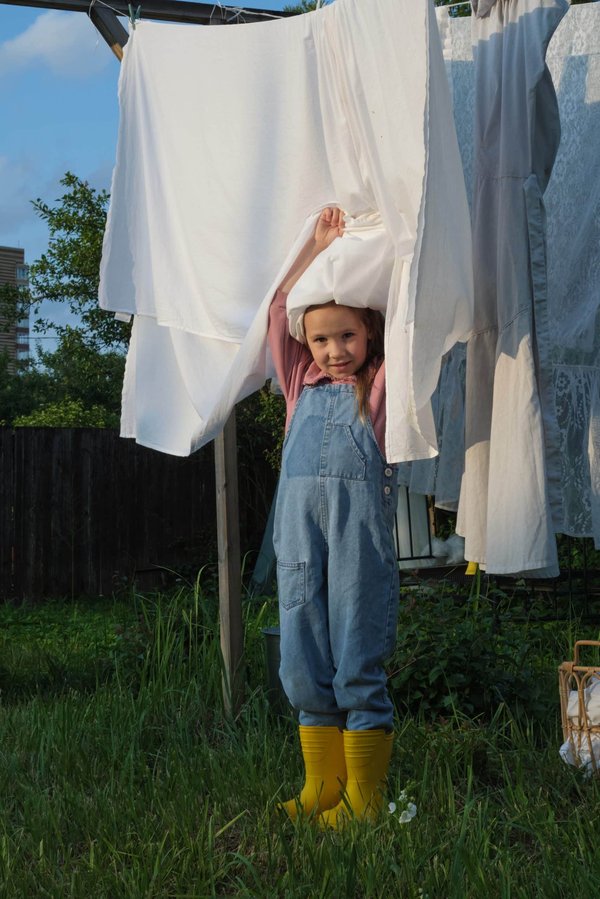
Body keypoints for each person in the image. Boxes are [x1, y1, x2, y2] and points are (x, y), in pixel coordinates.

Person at [268, 207, 400, 828]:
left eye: (346, 336)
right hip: (297, 535)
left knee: (355, 645)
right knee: (300, 648)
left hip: (357, 538)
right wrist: (315, 248)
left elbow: (407, 314)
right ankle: (322, 784)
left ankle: (366, 798)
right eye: (321, 339)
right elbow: (278, 307)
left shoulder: (373, 389)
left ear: (369, 334)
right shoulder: (299, 384)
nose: (334, 350)